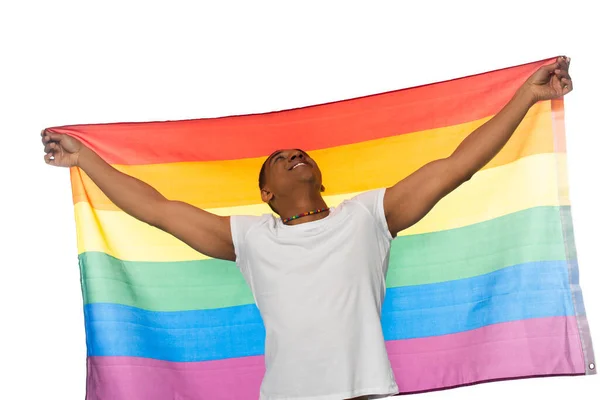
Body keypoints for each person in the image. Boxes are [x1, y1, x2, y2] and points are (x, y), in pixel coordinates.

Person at [42, 57, 572, 400]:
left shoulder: (368, 217)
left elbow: (458, 164)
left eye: (300, 152)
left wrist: (527, 96)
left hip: (363, 392)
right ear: (266, 194)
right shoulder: (250, 238)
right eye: (280, 158)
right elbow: (156, 208)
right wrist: (85, 158)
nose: (295, 153)